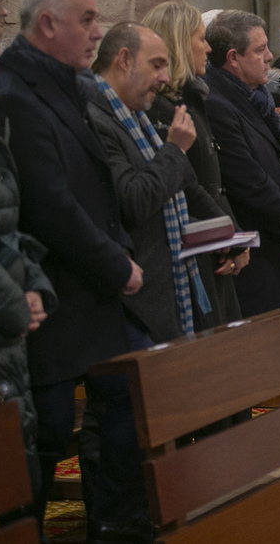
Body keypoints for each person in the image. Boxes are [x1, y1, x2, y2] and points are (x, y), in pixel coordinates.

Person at [0, 0, 150, 538]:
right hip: (53, 291)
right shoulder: (14, 94)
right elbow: (48, 202)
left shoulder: (68, 87)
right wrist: (116, 264)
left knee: (120, 400)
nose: (96, 32)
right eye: (85, 19)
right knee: (45, 434)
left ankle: (117, 525)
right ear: (47, 23)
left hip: (84, 292)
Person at [89, 22, 231, 347]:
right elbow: (133, 201)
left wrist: (221, 230)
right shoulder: (98, 121)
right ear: (124, 60)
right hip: (134, 301)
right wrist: (174, 149)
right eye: (156, 65)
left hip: (164, 289)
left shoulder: (137, 118)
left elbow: (182, 189)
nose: (164, 78)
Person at [0, 0, 57, 528]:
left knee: (18, 474)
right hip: (1, 321)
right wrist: (17, 303)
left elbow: (11, 223)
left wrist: (32, 283)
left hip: (10, 319)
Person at [142, 0, 248, 330]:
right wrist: (229, 234)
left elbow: (211, 181)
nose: (206, 47)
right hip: (195, 249)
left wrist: (232, 236)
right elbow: (187, 186)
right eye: (200, 39)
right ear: (178, 40)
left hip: (213, 244)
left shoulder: (189, 99)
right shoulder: (162, 108)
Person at [204, 10, 280, 317]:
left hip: (276, 239)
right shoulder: (217, 103)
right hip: (253, 249)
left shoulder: (256, 98)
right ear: (233, 58)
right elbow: (248, 179)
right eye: (259, 50)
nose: (269, 57)